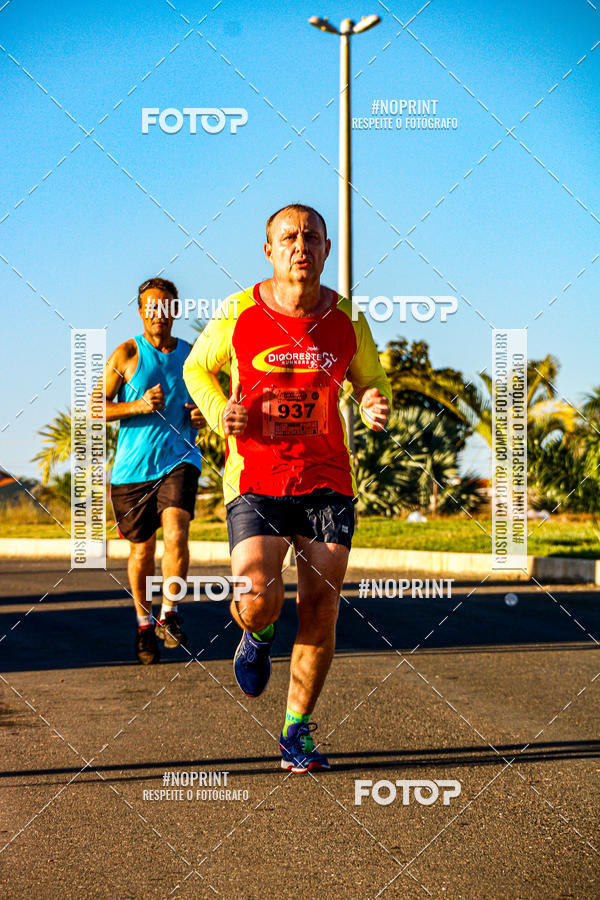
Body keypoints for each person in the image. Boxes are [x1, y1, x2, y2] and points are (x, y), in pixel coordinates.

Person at [183, 205, 391, 772]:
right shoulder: (237, 313)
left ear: (326, 251)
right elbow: (197, 369)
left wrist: (373, 401)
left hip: (326, 478)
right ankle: (258, 632)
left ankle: (295, 734)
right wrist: (219, 411)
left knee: (321, 608)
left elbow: (369, 378)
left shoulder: (347, 319)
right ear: (269, 250)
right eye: (288, 237)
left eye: (312, 238)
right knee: (256, 594)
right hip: (256, 475)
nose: (301, 246)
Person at [99, 277, 204, 664]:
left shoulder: (193, 357)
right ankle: (144, 625)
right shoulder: (126, 354)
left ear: (175, 311)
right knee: (141, 551)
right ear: (142, 311)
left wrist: (200, 416)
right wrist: (138, 406)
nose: (159, 313)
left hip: (179, 460)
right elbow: (95, 408)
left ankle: (170, 614)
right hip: (131, 470)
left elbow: (206, 408)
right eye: (151, 306)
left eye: (166, 306)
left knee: (177, 529)